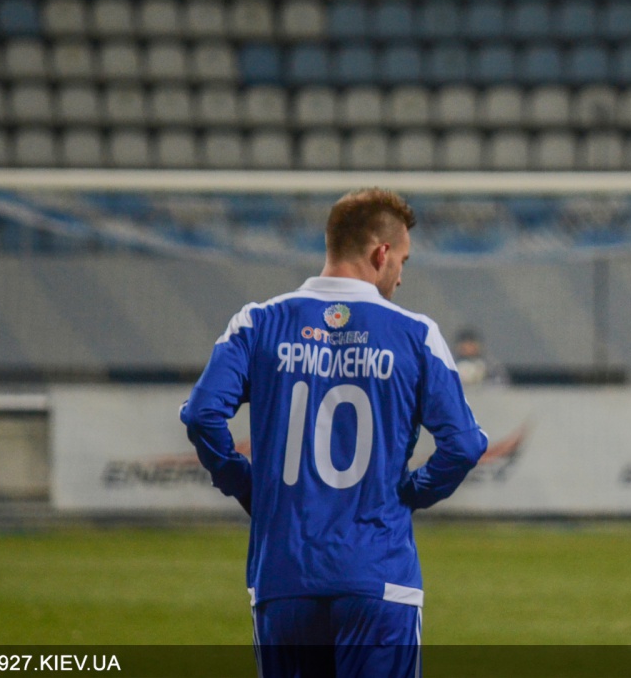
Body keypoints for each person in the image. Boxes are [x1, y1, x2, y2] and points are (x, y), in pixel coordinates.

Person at [180, 188, 488, 677]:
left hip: (283, 577)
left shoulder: (257, 322)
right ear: (381, 253)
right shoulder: (415, 334)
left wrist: (247, 485)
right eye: (402, 260)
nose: (401, 275)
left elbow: (201, 416)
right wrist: (411, 493)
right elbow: (465, 444)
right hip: (379, 576)